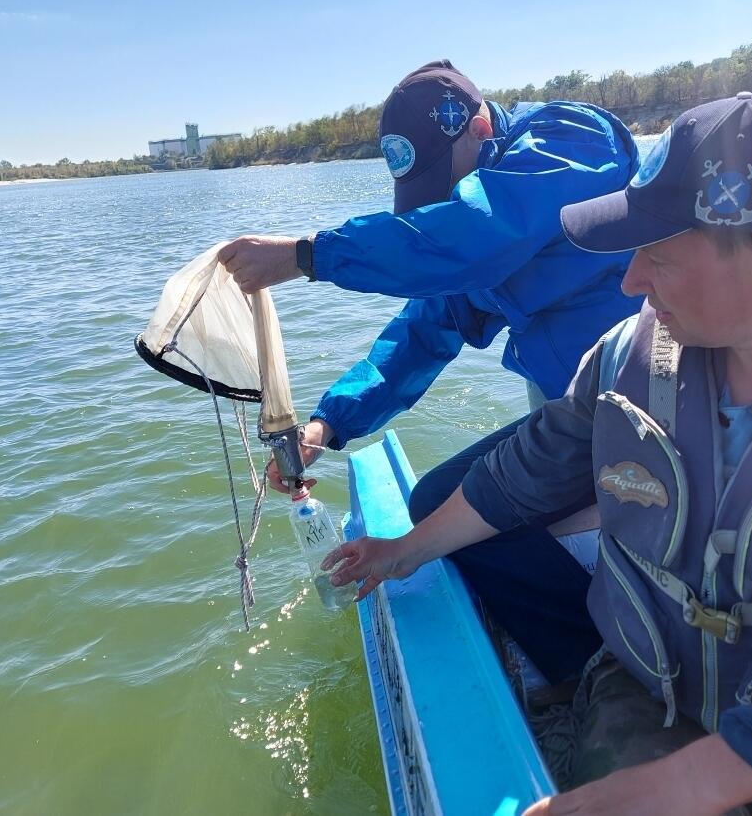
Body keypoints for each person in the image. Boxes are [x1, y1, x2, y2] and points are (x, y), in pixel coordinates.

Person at [323, 92, 752, 815]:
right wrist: (404, 550)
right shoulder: (629, 356)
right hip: (658, 692)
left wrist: (683, 786)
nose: (630, 280)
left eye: (658, 256)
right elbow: (525, 472)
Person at [220, 60, 642, 681]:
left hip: (649, 405)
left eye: (447, 186)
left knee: (452, 511)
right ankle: (585, 655)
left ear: (479, 127)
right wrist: (326, 426)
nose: (444, 203)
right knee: (438, 502)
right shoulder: (474, 228)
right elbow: (424, 332)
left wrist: (308, 255)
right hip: (578, 416)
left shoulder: (572, 140)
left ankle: (603, 669)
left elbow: (474, 233)